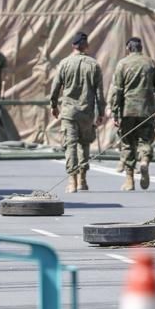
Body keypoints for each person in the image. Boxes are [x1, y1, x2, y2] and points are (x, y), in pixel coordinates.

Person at [108, 37, 155, 191]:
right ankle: (145, 161)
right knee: (144, 140)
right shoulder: (150, 63)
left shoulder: (123, 64)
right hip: (147, 110)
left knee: (127, 143)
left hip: (127, 110)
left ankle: (129, 180)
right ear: (141, 48)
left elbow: (117, 90)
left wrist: (115, 112)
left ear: (128, 48)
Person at [49, 32, 104, 192]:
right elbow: (99, 93)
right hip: (87, 112)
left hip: (69, 112)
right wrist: (100, 112)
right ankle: (83, 180)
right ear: (86, 46)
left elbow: (55, 87)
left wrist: (53, 105)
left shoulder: (64, 63)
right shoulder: (94, 65)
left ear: (73, 46)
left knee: (70, 145)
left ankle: (72, 182)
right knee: (84, 145)